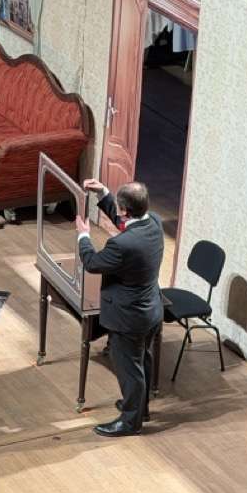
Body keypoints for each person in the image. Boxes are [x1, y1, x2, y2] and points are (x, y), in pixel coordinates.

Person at [76, 179, 163, 437]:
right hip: (151, 310)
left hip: (129, 318)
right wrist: (104, 194)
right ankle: (139, 409)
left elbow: (92, 262)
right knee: (142, 360)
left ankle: (130, 422)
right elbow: (125, 221)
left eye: (119, 207)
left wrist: (84, 236)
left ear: (125, 209)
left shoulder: (122, 245)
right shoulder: (155, 223)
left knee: (130, 370)